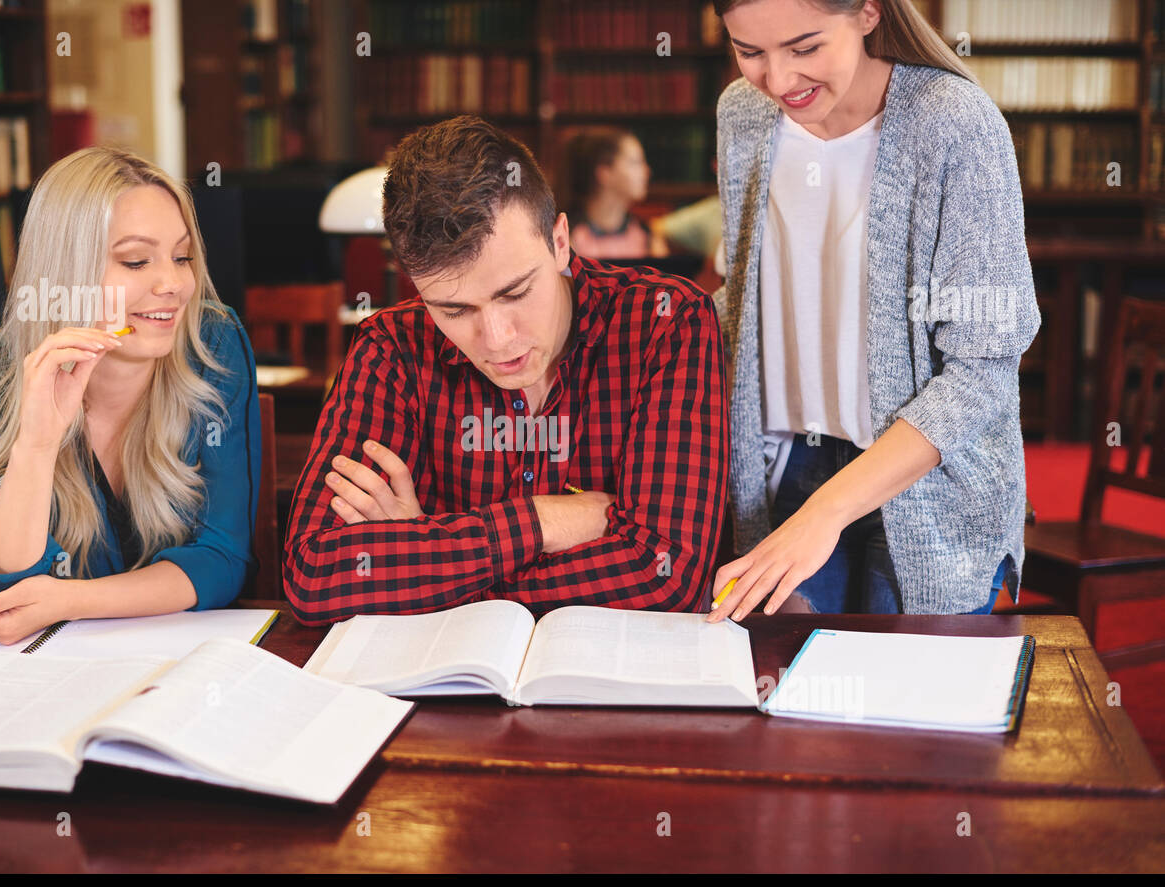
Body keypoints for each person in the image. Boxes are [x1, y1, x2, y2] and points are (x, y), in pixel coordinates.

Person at [284, 115, 729, 625]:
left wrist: (424, 553)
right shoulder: (391, 344)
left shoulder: (664, 322)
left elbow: (664, 573)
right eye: (454, 310)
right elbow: (315, 576)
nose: (496, 340)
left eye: (515, 293)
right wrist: (543, 521)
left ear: (560, 241)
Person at [706, 0, 1040, 621]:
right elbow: (747, 295)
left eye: (804, 48)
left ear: (866, 13)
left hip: (927, 486)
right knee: (780, 706)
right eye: (749, 51)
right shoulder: (743, 115)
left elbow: (982, 370)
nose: (778, 81)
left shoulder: (954, 125)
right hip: (784, 466)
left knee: (901, 712)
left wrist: (827, 513)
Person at [0, 146, 261, 644]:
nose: (174, 284)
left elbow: (224, 559)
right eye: (136, 262)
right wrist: (38, 444)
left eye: (182, 257)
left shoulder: (212, 342)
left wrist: (69, 600)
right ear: (65, 274)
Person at [561, 127, 669, 259]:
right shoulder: (567, 236)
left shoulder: (647, 237)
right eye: (635, 163)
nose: (647, 171)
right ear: (604, 172)